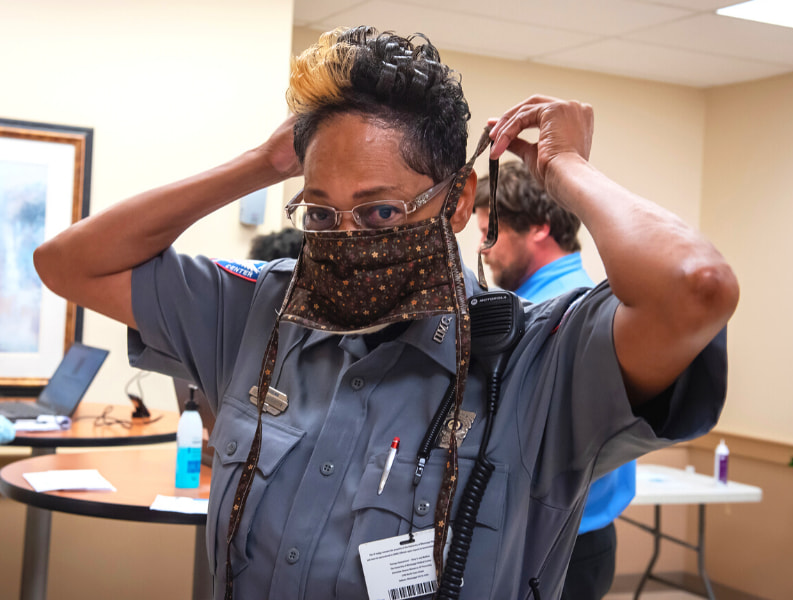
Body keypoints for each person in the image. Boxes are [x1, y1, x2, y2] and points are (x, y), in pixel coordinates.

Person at [33, 26, 738, 600]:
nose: (344, 239)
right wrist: (259, 163)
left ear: (459, 203)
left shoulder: (537, 361)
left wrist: (564, 169)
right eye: (320, 212)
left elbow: (696, 287)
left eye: (379, 210)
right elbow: (69, 263)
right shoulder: (261, 314)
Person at [474, 161, 634, 600]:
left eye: (492, 233)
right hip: (571, 536)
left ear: (539, 229)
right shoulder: (535, 306)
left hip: (562, 543)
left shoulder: (562, 317)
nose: (483, 249)